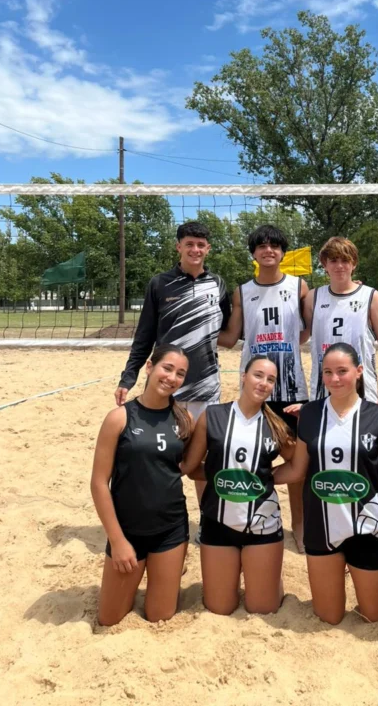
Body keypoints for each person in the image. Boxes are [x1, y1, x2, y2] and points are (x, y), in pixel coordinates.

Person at [274, 343, 378, 625]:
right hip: (320, 524)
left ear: (359, 371)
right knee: (327, 617)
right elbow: (297, 469)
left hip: (365, 526)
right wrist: (257, 479)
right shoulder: (310, 414)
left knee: (376, 618)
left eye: (342, 371)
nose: (335, 378)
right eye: (328, 372)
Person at [114, 221, 231, 504]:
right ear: (178, 246)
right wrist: (128, 377)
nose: (195, 249)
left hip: (206, 385)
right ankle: (158, 510)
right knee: (161, 453)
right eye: (189, 244)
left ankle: (206, 518)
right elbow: (144, 336)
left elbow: (229, 330)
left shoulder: (217, 285)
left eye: (200, 245)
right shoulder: (160, 283)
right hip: (169, 386)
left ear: (208, 249)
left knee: (203, 459)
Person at [218, 224, 309, 551]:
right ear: (254, 253)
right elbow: (230, 338)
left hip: (291, 385)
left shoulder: (299, 287)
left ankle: (298, 524)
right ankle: (250, 517)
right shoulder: (242, 291)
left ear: (283, 252)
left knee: (297, 457)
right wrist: (186, 330)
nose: (268, 250)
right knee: (250, 456)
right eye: (262, 246)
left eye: (274, 246)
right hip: (253, 388)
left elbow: (308, 330)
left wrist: (285, 349)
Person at [181, 356, 294, 615]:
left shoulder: (276, 424)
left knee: (263, 608)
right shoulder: (213, 416)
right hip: (217, 522)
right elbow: (191, 468)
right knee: (220, 608)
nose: (263, 383)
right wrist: (223, 476)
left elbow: (297, 466)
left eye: (270, 379)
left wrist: (262, 477)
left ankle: (269, 580)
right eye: (258, 375)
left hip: (262, 525)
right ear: (243, 376)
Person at [91, 344, 194, 626]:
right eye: (167, 368)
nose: (172, 378)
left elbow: (187, 467)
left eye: (180, 374)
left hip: (171, 527)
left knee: (159, 616)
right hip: (128, 532)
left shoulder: (184, 419)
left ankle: (171, 567)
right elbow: (99, 483)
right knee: (109, 619)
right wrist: (117, 539)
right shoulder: (119, 418)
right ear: (150, 367)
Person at [303, 236, 378, 409]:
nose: (339, 265)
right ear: (325, 264)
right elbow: (301, 336)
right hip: (323, 388)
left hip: (362, 387)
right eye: (333, 260)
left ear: (354, 264)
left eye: (345, 260)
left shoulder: (370, 296)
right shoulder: (312, 297)